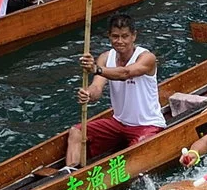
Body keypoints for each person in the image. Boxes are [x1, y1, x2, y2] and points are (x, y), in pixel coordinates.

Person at [67, 13, 163, 170]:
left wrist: (96, 69)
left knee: (133, 154)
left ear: (134, 36)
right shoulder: (105, 58)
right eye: (115, 36)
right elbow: (97, 88)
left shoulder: (147, 58)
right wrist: (88, 94)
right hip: (118, 123)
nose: (120, 41)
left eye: (125, 36)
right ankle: (70, 174)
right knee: (76, 132)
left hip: (147, 125)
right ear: (109, 37)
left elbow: (125, 73)